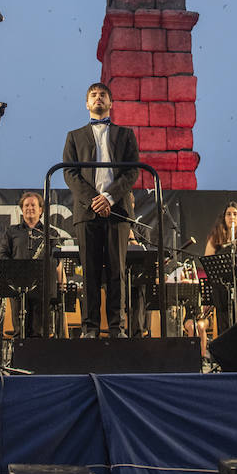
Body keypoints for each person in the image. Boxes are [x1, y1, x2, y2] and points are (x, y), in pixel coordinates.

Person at [62, 82, 139, 339]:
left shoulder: (126, 134)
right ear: (86, 104)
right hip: (87, 212)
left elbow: (132, 171)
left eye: (103, 95)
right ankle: (90, 329)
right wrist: (95, 200)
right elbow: (70, 173)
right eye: (93, 95)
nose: (98, 98)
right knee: (90, 272)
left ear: (111, 103)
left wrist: (108, 197)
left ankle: (117, 328)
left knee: (117, 271)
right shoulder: (74, 136)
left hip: (117, 211)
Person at [0, 191, 57, 338]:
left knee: (40, 331)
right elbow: (2, 255)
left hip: (42, 289)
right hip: (18, 288)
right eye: (26, 205)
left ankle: (39, 360)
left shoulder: (51, 233)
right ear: (22, 209)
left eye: (33, 205)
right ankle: (19, 360)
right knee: (20, 331)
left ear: (41, 209)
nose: (30, 208)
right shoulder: (11, 232)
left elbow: (56, 261)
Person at [203, 202, 237, 335]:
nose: (232, 217)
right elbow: (208, 262)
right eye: (228, 214)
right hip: (223, 288)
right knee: (225, 323)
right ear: (223, 217)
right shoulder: (215, 237)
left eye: (235, 214)